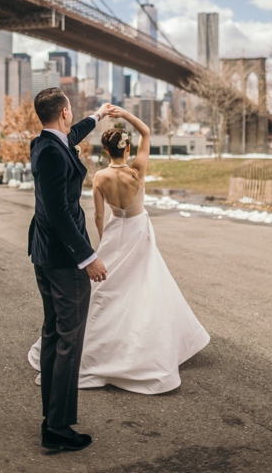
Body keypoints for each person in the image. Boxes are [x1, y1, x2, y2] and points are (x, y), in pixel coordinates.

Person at [28, 106, 210, 394]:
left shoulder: (100, 177)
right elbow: (147, 132)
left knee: (106, 290)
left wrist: (106, 238)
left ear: (106, 150)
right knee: (144, 285)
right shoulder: (137, 171)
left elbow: (99, 216)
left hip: (115, 230)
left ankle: (91, 346)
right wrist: (124, 115)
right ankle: (145, 343)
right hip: (139, 231)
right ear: (127, 149)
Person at [28, 88, 111, 452]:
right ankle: (57, 426)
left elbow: (70, 136)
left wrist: (98, 116)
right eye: (72, 112)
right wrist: (87, 257)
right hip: (63, 259)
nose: (72, 117)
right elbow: (58, 212)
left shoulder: (46, 143)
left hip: (46, 254)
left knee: (53, 334)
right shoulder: (51, 154)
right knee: (67, 340)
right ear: (63, 111)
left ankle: (53, 417)